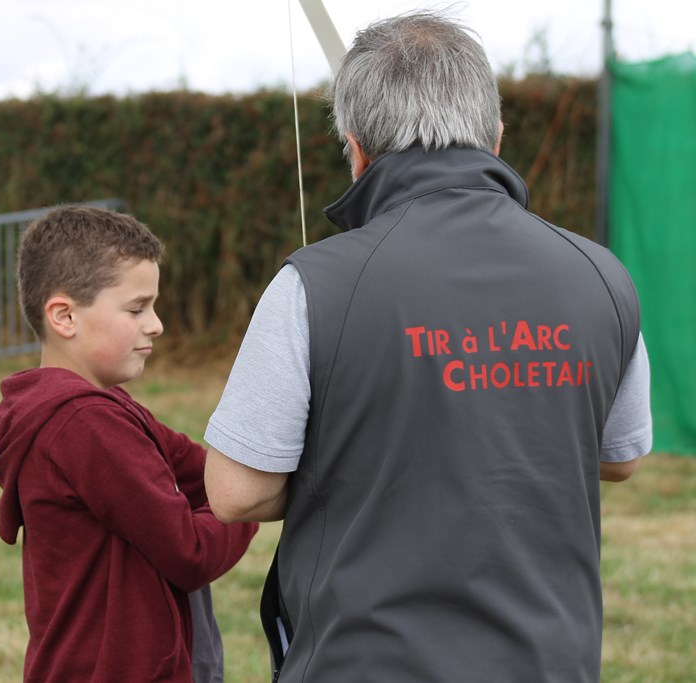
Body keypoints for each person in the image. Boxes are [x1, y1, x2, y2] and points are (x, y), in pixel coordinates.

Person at [203, 12, 652, 683]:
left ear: (355, 149)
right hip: (550, 661)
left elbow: (235, 492)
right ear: (497, 137)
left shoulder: (313, 283)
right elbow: (621, 456)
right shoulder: (600, 274)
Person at [0, 205, 257, 682]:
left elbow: (200, 469)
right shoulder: (84, 423)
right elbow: (189, 552)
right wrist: (249, 502)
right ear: (64, 316)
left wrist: (267, 457)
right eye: (136, 308)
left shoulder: (104, 409)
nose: (157, 324)